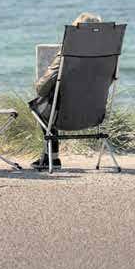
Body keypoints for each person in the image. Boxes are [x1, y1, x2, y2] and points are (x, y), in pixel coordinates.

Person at [30, 12, 102, 171]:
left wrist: (39, 87)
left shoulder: (67, 52)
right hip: (94, 114)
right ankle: (50, 157)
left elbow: (43, 87)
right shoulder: (106, 55)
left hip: (65, 115)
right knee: (51, 103)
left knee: (41, 106)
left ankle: (52, 157)